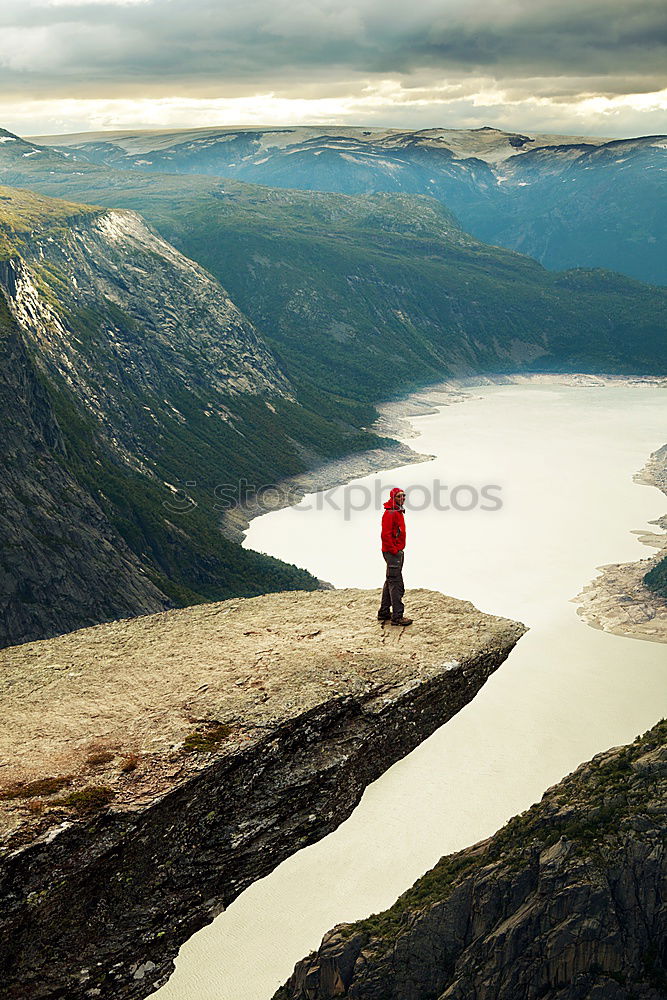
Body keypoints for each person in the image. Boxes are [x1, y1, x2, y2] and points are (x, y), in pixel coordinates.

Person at [378, 487, 413, 626]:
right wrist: (395, 550)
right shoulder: (391, 513)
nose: (402, 498)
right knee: (396, 583)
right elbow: (385, 535)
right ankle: (397, 617)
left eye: (403, 496)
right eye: (399, 496)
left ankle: (384, 612)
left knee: (390, 581)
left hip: (394, 552)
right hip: (392, 553)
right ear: (393, 498)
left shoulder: (396, 511)